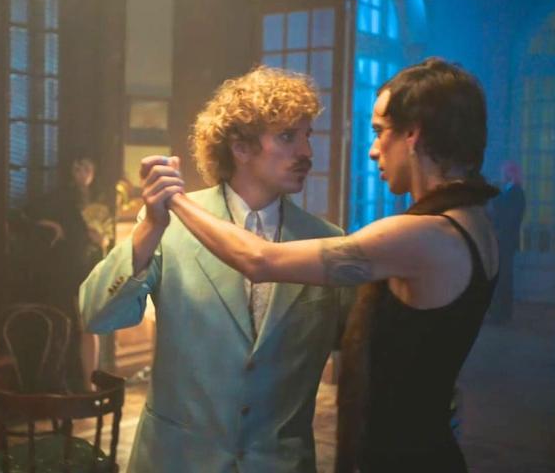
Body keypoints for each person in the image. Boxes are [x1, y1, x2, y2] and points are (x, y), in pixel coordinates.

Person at [145, 58, 499, 472]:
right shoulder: (473, 221)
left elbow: (258, 259)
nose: (373, 150)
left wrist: (174, 199)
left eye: (379, 132)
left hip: (405, 458)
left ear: (412, 134)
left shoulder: (425, 236)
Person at [80, 66, 352, 472]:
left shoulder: (325, 241)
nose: (307, 153)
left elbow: (355, 357)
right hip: (177, 461)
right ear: (240, 147)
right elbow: (95, 314)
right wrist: (150, 228)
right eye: (287, 137)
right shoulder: (171, 222)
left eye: (307, 135)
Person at [11, 158, 109, 392]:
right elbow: (22, 215)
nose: (82, 173)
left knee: (89, 325)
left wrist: (101, 239)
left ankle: (89, 384)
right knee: (64, 324)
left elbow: (107, 237)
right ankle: (62, 381)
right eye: (77, 168)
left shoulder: (101, 199)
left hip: (91, 266)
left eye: (87, 168)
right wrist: (50, 226)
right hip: (65, 267)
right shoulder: (61, 197)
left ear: (94, 171)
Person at [487, 160, 526, 324]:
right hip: (506, 240)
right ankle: (501, 313)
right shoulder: (512, 191)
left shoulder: (515, 192)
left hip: (505, 240)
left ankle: (501, 314)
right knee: (503, 278)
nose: (501, 175)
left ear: (510, 173)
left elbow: (507, 216)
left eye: (504, 172)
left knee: (503, 279)